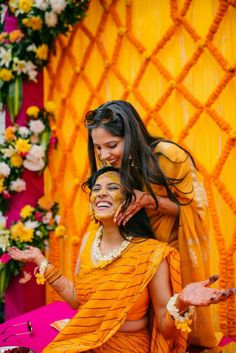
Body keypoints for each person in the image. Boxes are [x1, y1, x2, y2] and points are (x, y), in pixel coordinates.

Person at [8, 167, 235, 353]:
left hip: (128, 346)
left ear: (129, 202)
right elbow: (78, 301)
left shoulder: (151, 254)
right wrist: (41, 262)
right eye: (96, 189)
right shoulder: (88, 241)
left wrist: (182, 302)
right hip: (87, 340)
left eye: (112, 187)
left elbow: (166, 330)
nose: (101, 193)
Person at [85, 100, 216, 347]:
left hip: (174, 249)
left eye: (112, 145)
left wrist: (148, 200)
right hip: (138, 255)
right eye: (98, 148)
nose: (104, 155)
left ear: (131, 136)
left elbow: (192, 210)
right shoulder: (113, 165)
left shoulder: (168, 156)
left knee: (175, 325)